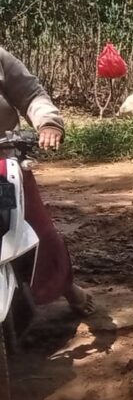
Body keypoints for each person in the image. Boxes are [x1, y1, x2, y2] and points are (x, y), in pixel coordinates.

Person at [0, 48, 95, 315]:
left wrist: (48, 123)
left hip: (4, 165)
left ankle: (64, 285)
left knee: (37, 230)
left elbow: (31, 95)